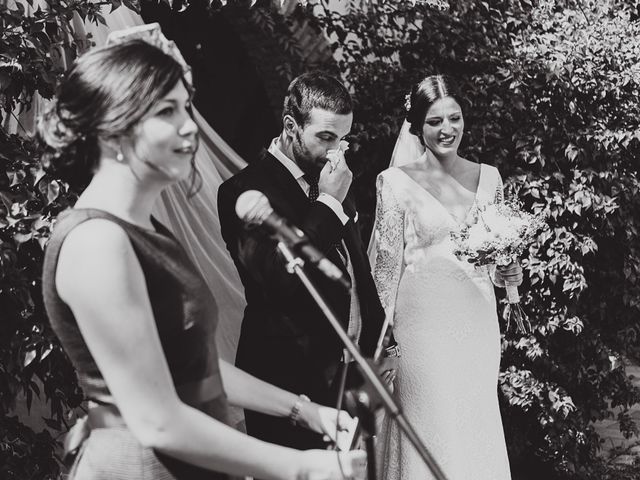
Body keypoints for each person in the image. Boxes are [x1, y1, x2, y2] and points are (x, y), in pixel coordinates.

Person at [39, 33, 366, 480]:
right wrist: (300, 466)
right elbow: (156, 418)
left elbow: (192, 363)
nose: (190, 126)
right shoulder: (97, 242)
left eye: (185, 107)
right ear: (114, 130)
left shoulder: (145, 233)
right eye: (167, 112)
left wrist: (303, 411)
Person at [218, 72, 395, 453]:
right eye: (326, 138)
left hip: (353, 377)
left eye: (344, 139)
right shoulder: (242, 191)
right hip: (289, 381)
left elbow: (356, 268)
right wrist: (329, 205)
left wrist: (382, 344)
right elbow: (280, 282)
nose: (337, 152)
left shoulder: (332, 176)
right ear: (290, 127)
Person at [371, 75, 522, 480]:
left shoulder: (490, 178)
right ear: (418, 127)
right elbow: (385, 268)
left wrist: (508, 273)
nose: (447, 129)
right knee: (430, 418)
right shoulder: (395, 183)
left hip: (476, 322)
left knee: (475, 420)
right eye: (435, 121)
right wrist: (382, 339)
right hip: (421, 327)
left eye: (454, 118)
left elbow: (496, 259)